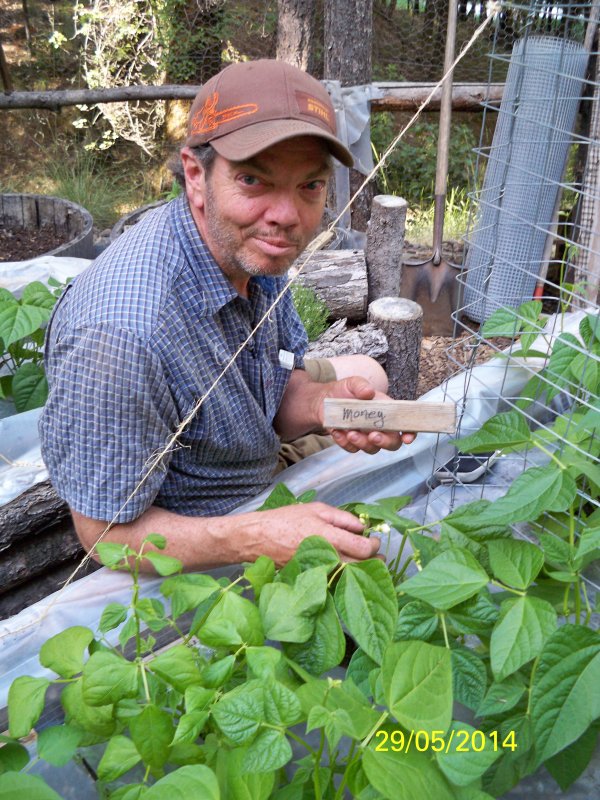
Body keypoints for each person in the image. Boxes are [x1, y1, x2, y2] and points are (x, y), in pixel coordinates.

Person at [39, 59, 414, 572]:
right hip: (195, 529)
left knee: (367, 376)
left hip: (249, 457)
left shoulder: (249, 247)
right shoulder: (121, 336)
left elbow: (271, 384)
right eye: (254, 180)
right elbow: (106, 537)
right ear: (196, 175)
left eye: (310, 186)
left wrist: (325, 404)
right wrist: (257, 537)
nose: (287, 216)